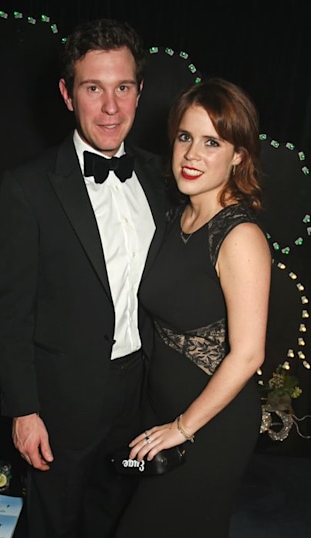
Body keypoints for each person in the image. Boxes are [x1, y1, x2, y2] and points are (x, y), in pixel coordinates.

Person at [0, 18, 166, 538]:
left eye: (123, 88)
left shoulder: (162, 177)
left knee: (118, 518)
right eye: (94, 88)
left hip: (143, 394)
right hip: (63, 402)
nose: (110, 107)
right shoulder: (26, 188)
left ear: (138, 94)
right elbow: (9, 311)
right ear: (68, 95)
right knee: (54, 522)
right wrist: (24, 410)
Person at [116, 77, 272, 538]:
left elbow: (248, 354)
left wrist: (182, 428)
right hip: (161, 412)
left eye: (212, 142)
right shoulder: (175, 216)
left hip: (210, 426)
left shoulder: (240, 237)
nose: (192, 154)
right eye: (185, 137)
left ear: (238, 154)